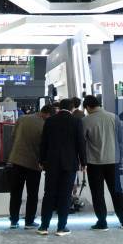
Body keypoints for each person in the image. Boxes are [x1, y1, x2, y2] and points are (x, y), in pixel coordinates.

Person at [37, 98, 86, 236]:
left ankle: (44, 227)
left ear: (59, 108)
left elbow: (43, 142)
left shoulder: (50, 121)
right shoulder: (76, 122)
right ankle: (61, 227)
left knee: (49, 194)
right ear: (72, 108)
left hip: (51, 163)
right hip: (69, 164)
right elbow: (80, 143)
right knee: (65, 195)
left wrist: (41, 160)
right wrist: (84, 162)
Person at [82, 95, 123, 230]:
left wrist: (82, 161)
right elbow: (121, 141)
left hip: (94, 163)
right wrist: (119, 158)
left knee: (97, 193)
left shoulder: (85, 121)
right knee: (117, 192)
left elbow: (82, 142)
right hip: (113, 161)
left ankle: (102, 222)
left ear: (88, 107)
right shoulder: (114, 117)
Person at [8, 104, 52, 229]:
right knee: (32, 194)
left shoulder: (22, 118)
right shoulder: (45, 125)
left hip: (17, 160)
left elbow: (13, 135)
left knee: (15, 192)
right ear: (47, 114)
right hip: (33, 163)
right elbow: (44, 145)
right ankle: (29, 221)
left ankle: (14, 220)